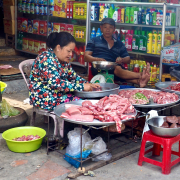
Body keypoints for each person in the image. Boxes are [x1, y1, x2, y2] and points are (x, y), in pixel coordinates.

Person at [29, 32, 100, 111]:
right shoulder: (46, 59)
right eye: (69, 51)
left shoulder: (63, 60)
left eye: (72, 51)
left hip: (59, 94)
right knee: (83, 103)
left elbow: (73, 77)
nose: (71, 54)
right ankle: (77, 122)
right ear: (59, 47)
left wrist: (89, 84)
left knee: (90, 98)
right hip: (45, 97)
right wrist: (82, 86)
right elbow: (56, 83)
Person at [85, 18, 150, 88]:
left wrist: (122, 60)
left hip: (115, 67)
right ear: (101, 28)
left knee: (116, 69)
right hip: (99, 68)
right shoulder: (94, 41)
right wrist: (98, 60)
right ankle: (140, 75)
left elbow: (128, 59)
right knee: (116, 69)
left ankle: (139, 81)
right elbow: (86, 56)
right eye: (105, 27)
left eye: (110, 27)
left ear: (114, 29)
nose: (108, 30)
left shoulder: (119, 43)